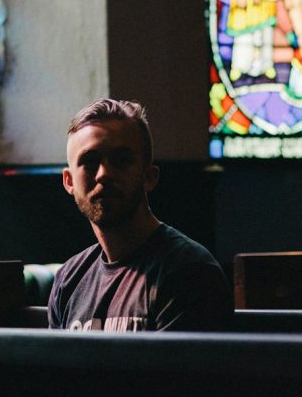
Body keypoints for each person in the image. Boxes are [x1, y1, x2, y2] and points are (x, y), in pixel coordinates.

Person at [48, 99, 232, 332]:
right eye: (90, 162)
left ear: (149, 177)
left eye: (121, 161)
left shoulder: (189, 272)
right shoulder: (69, 279)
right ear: (69, 181)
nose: (104, 174)